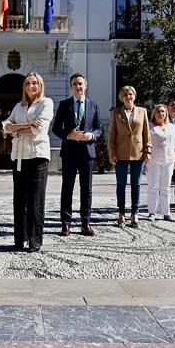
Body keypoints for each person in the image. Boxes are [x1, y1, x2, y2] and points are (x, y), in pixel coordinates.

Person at [2, 72, 53, 253]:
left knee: (35, 200)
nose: (31, 86)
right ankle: (19, 238)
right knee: (19, 199)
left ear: (40, 85)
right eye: (28, 84)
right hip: (19, 157)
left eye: (35, 83)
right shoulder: (19, 106)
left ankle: (34, 240)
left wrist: (15, 129)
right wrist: (19, 128)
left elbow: (37, 129)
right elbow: (5, 126)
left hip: (37, 156)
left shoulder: (46, 103)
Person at [52, 73, 102, 236]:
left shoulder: (94, 105)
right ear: (71, 87)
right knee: (67, 188)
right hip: (69, 152)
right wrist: (68, 135)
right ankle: (65, 224)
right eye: (74, 84)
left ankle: (85, 223)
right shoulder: (64, 104)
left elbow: (99, 129)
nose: (78, 86)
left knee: (86, 189)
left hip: (87, 153)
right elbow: (56, 128)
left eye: (80, 83)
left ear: (85, 85)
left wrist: (92, 136)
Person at [108, 85, 151, 228]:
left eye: (131, 94)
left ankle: (135, 213)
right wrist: (112, 152)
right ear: (121, 97)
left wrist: (148, 151)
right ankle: (121, 213)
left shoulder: (142, 111)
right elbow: (112, 135)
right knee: (121, 185)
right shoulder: (116, 113)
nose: (128, 97)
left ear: (134, 96)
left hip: (138, 153)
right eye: (125, 94)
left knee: (136, 185)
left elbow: (146, 133)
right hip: (120, 153)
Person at [146, 104, 175, 222]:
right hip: (153, 161)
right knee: (153, 187)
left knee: (166, 188)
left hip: (168, 160)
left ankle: (166, 212)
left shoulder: (171, 127)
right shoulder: (149, 126)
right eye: (159, 112)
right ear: (154, 114)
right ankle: (152, 212)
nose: (161, 114)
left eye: (163, 112)